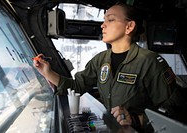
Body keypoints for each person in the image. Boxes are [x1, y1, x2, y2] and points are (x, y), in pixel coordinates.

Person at [33, 2, 181, 132]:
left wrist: (137, 119)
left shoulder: (150, 61)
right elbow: (76, 86)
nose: (103, 25)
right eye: (104, 20)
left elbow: (174, 110)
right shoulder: (101, 60)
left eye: (110, 20)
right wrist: (48, 72)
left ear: (129, 26)